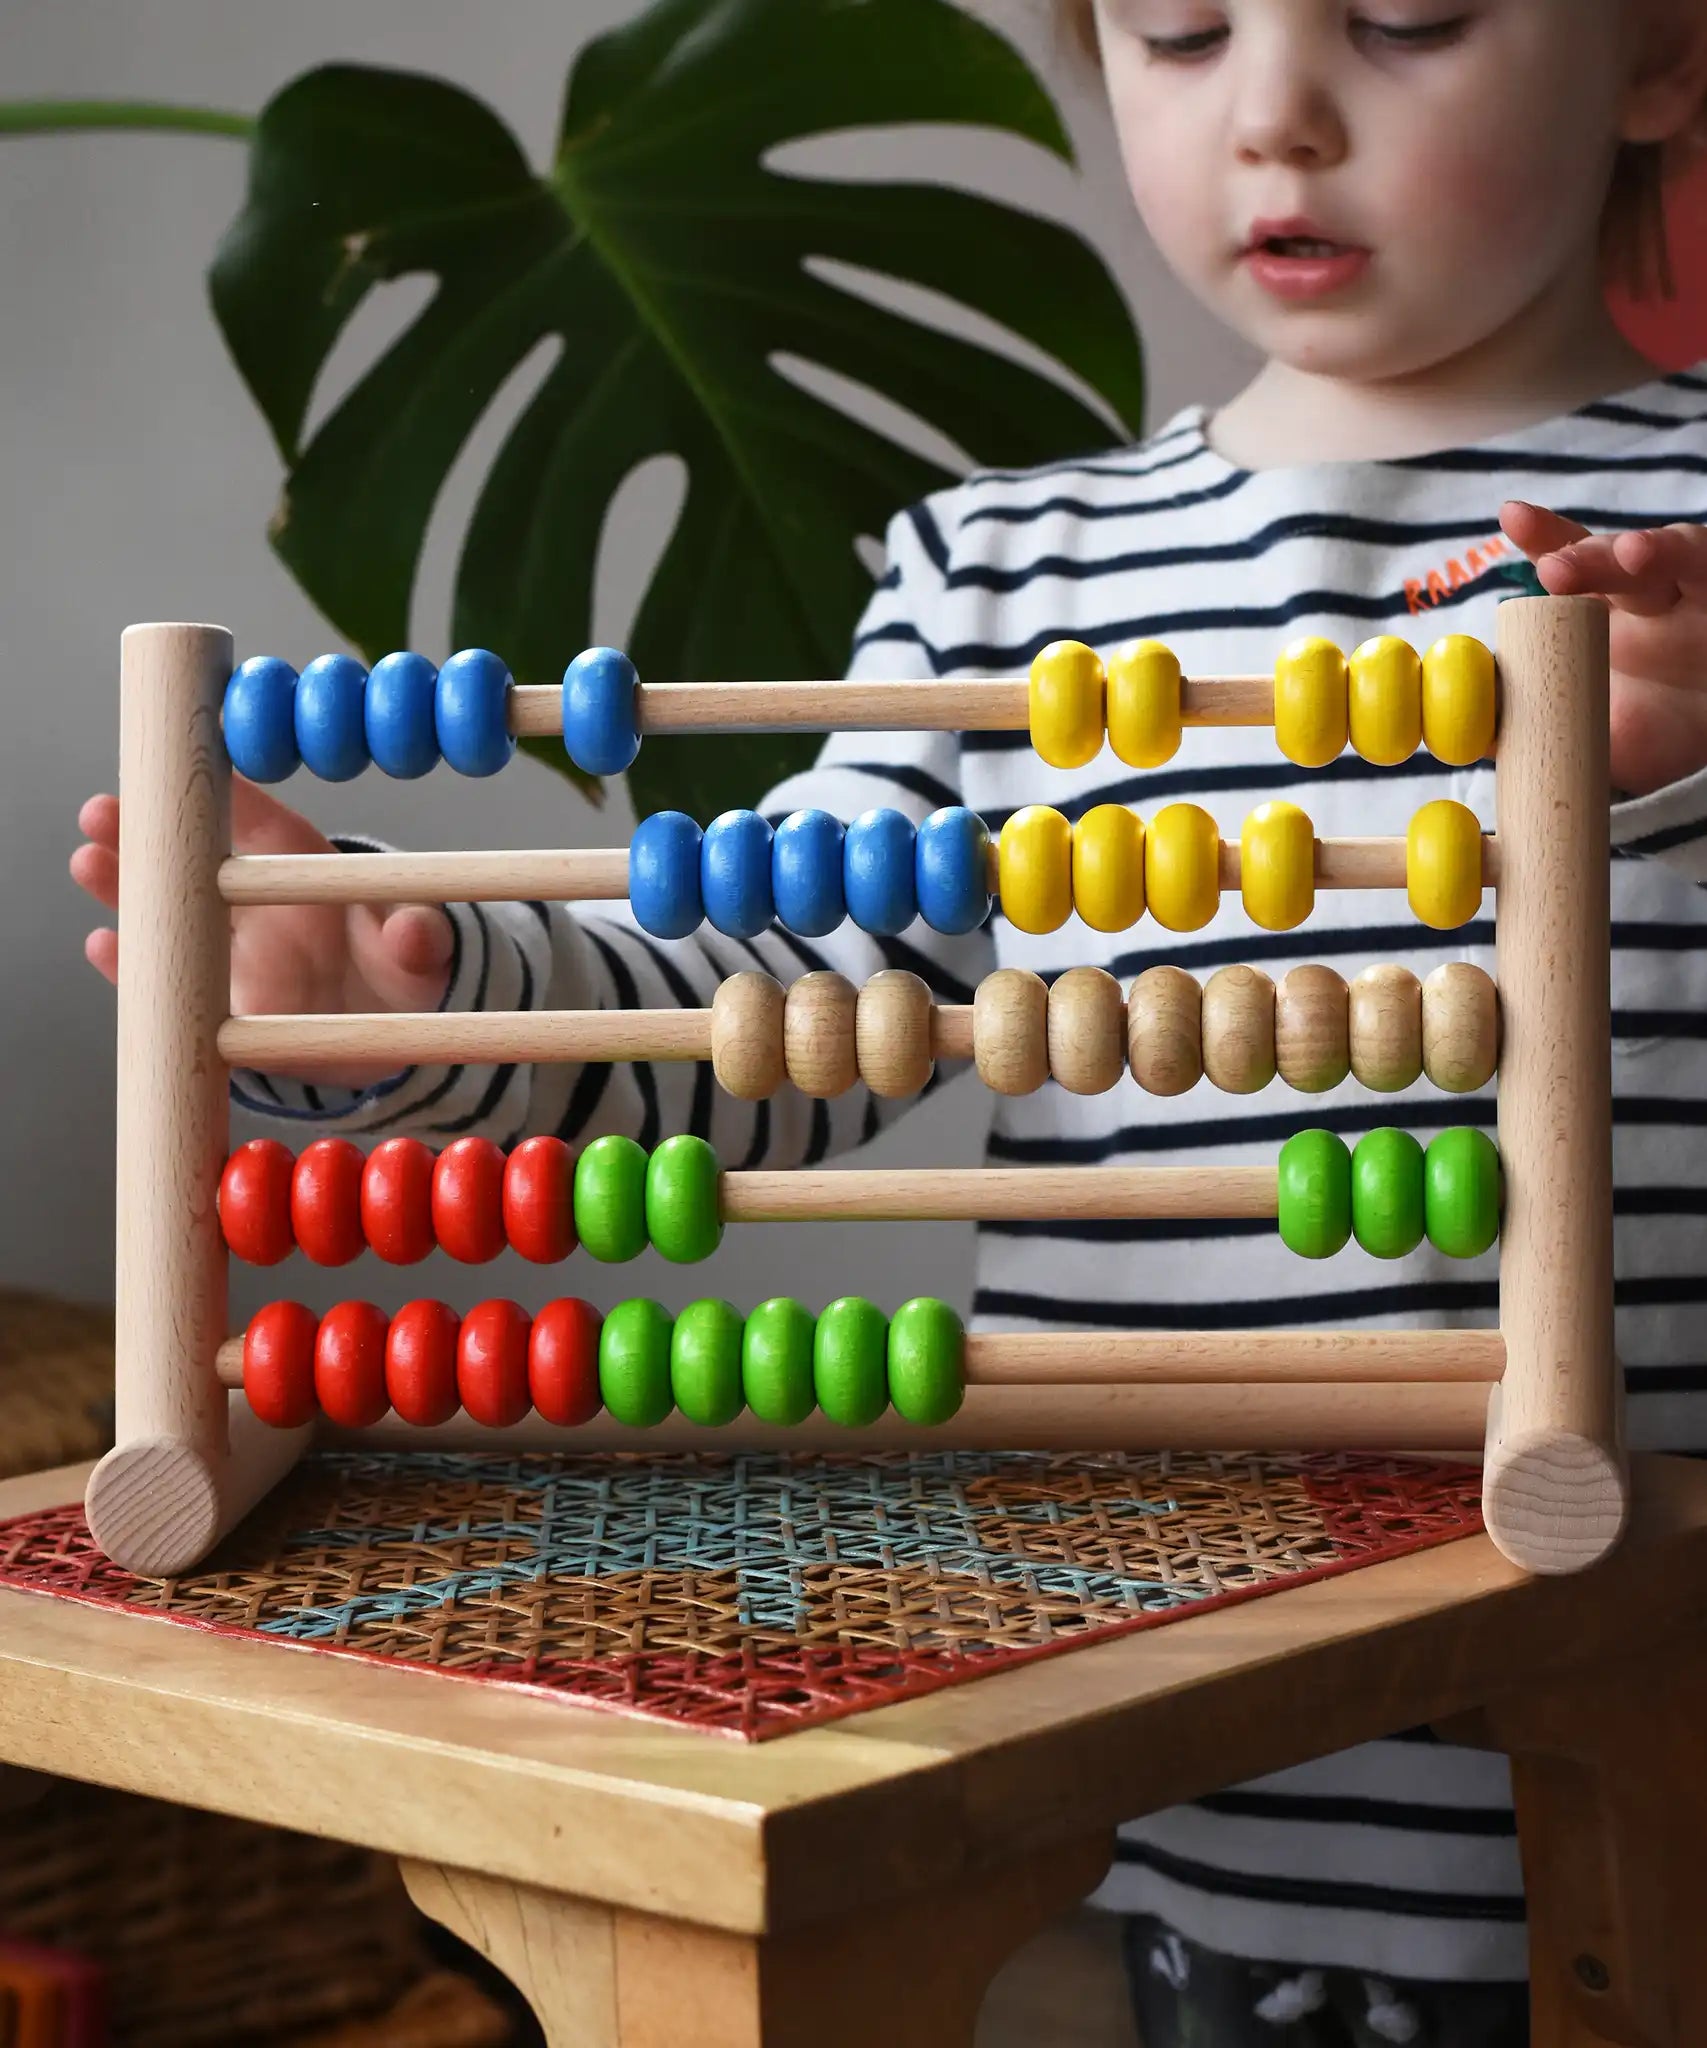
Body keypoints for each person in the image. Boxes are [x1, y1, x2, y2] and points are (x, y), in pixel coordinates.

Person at [72, 1, 1707, 2039]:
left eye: (1401, 20)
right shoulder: (1002, 580)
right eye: (1181, 31)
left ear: (1652, 58)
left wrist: (1667, 768)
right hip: (1196, 1729)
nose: (1274, 114)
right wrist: (404, 980)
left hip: (1648, 1691)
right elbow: (770, 1007)